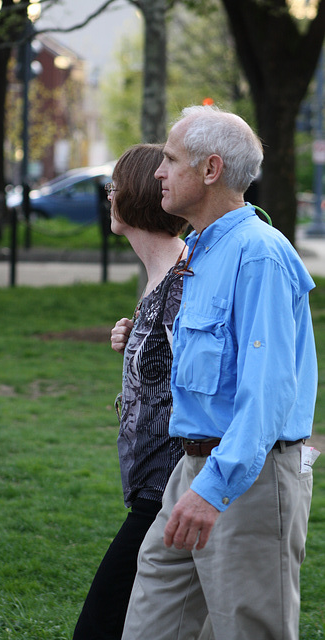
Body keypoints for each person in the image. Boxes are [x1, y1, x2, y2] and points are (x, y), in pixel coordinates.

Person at [121, 105, 318, 640]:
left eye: (169, 159)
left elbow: (269, 392)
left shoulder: (258, 255)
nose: (158, 172)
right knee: (148, 626)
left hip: (247, 480)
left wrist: (215, 489)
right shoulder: (205, 251)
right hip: (192, 471)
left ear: (209, 170)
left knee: (248, 630)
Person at [72, 143, 189, 640]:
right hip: (153, 489)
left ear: (133, 196)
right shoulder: (160, 278)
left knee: (99, 626)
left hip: (169, 491)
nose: (109, 196)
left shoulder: (183, 281)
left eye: (113, 187)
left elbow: (205, 383)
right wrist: (136, 341)